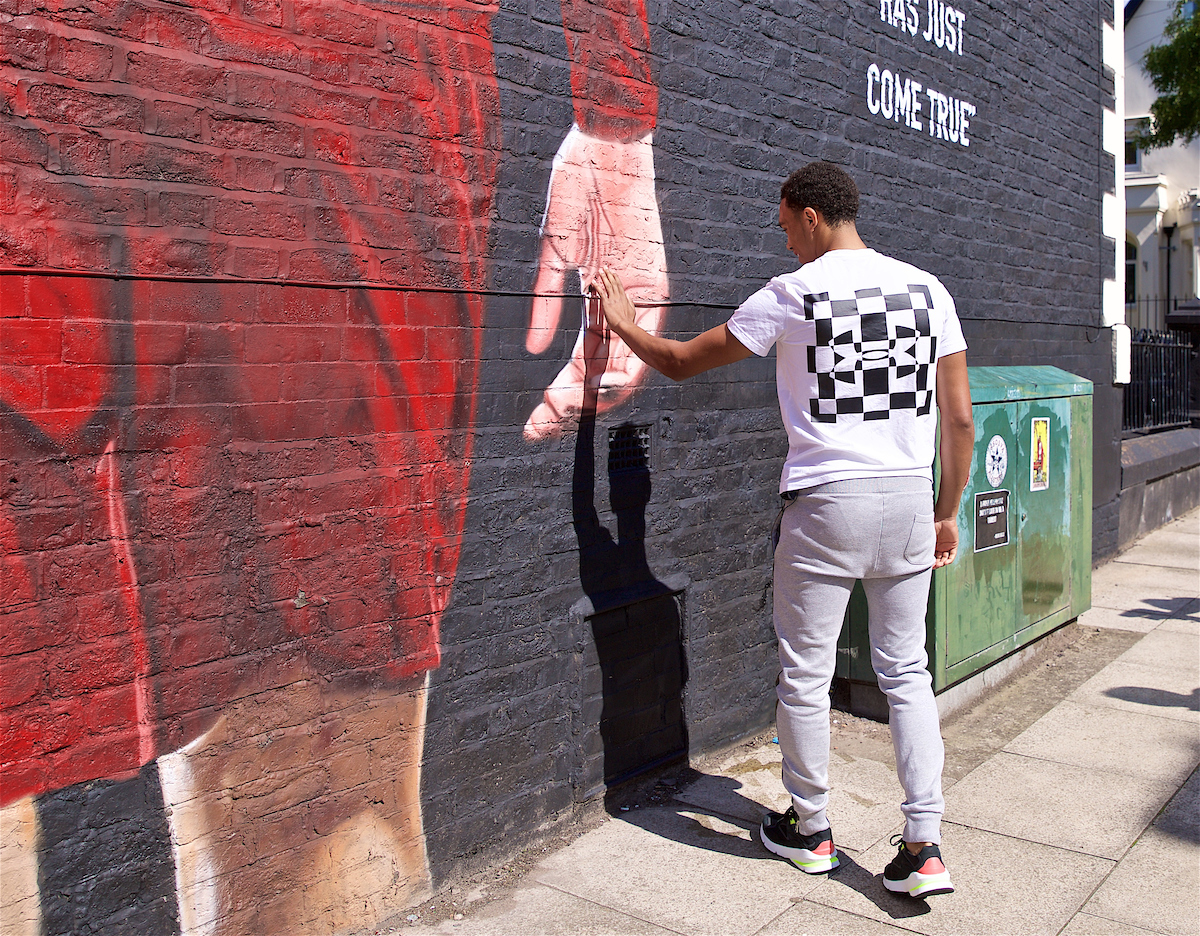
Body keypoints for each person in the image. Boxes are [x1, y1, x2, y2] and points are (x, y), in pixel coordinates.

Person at [592, 160, 975, 899]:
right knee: (907, 673)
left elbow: (679, 363)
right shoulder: (929, 291)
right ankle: (924, 846)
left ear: (809, 215)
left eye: (784, 227)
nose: (784, 244)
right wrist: (946, 511)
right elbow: (957, 419)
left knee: (806, 670)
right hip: (906, 498)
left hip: (829, 502)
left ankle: (811, 829)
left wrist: (625, 326)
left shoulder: (795, 293)